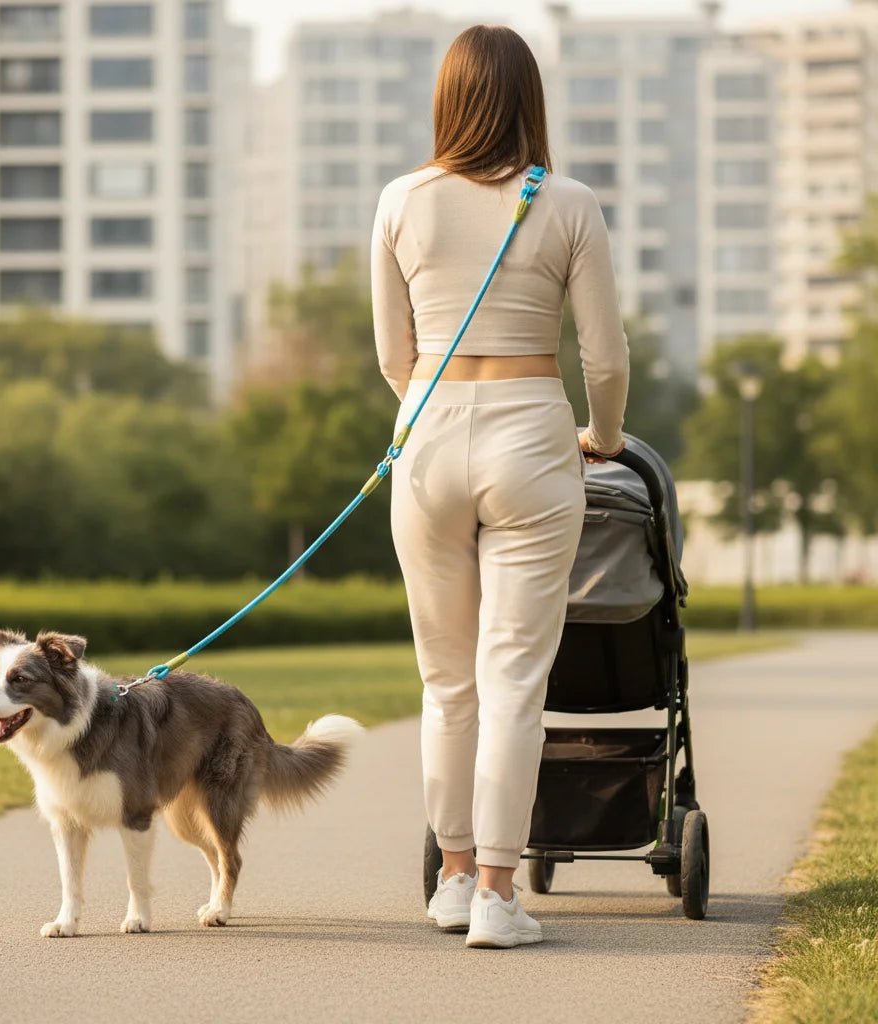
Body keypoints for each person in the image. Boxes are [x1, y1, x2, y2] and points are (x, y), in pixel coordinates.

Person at [370, 24, 630, 949]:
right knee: (513, 680)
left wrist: (434, 415)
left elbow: (392, 356)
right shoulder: (567, 202)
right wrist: (601, 434)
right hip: (532, 433)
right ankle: (497, 894)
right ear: (531, 99)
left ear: (446, 97)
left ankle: (448, 877)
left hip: (429, 438)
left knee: (447, 685)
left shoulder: (401, 200)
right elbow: (603, 353)